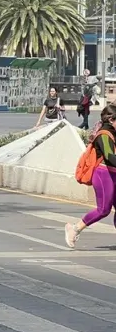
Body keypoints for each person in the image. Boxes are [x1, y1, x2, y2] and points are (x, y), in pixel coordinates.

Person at [66, 104, 116, 248]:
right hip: (103, 175)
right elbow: (109, 156)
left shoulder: (112, 133)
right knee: (103, 210)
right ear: (111, 119)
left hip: (113, 174)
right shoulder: (104, 134)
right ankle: (74, 229)